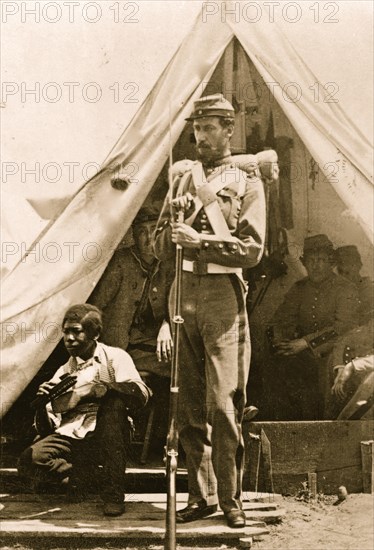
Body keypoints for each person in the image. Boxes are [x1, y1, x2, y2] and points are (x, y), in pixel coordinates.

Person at [153, 94, 267, 528]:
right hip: (183, 294)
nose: (201, 135)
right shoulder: (182, 179)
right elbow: (159, 246)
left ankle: (230, 498)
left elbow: (254, 249)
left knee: (223, 404)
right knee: (187, 406)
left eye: (210, 127)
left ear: (228, 129)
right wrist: (175, 227)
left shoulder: (247, 180)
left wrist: (201, 241)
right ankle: (200, 496)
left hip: (222, 293)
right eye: (196, 128)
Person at [18, 304, 151, 517]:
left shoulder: (115, 357)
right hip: (75, 438)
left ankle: (113, 494)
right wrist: (44, 403)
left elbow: (141, 394)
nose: (69, 338)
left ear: (95, 333)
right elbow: (47, 428)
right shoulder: (63, 371)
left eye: (76, 331)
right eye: (66, 332)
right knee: (29, 460)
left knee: (113, 406)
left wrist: (100, 388)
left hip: (110, 435)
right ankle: (83, 477)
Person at [268, 234, 360, 420]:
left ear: (331, 262)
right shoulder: (299, 289)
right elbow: (281, 320)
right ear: (304, 263)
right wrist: (282, 343)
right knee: (278, 364)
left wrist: (306, 342)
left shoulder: (345, 288)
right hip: (302, 354)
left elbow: (343, 328)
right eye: (311, 260)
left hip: (335, 352)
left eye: (321, 260)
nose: (316, 266)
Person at [89, 208, 174, 375]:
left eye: (154, 230)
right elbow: (94, 307)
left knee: (183, 359)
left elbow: (175, 303)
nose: (149, 238)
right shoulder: (120, 263)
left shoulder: (167, 264)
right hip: (117, 344)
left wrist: (166, 325)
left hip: (146, 340)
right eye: (142, 232)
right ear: (133, 236)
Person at [327, 318, 374, 419]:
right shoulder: (366, 330)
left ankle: (343, 424)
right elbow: (345, 341)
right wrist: (341, 368)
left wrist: (352, 366)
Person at [335, 245, 374, 325]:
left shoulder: (370, 289)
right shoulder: (339, 293)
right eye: (341, 265)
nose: (345, 268)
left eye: (350, 263)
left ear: (359, 264)